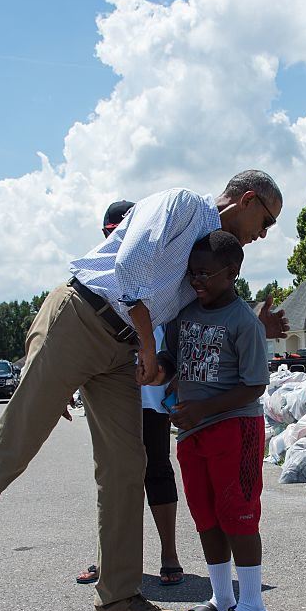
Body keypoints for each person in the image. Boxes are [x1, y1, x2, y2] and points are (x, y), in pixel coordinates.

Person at [0, 170, 286, 611]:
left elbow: (205, 306)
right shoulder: (184, 204)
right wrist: (149, 346)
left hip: (121, 348)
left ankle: (118, 598)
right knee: (15, 443)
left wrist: (244, 325)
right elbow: (129, 266)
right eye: (266, 221)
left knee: (127, 466)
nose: (263, 235)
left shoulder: (210, 249)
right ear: (247, 200)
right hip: (80, 317)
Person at [154, 230, 273, 611]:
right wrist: (162, 371)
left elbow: (255, 384)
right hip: (191, 433)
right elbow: (171, 357)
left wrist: (203, 408)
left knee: (237, 513)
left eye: (205, 273)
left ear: (233, 271)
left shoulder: (243, 322)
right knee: (206, 516)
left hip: (234, 428)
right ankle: (222, 600)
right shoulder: (184, 313)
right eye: (192, 274)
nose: (196, 281)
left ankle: (253, 605)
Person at [76, 200, 183, 587]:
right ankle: (110, 559)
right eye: (110, 233)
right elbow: (79, 337)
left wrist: (175, 378)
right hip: (108, 392)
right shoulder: (98, 274)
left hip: (151, 394)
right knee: (113, 476)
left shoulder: (162, 272)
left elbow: (178, 327)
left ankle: (169, 554)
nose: (116, 239)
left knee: (157, 468)